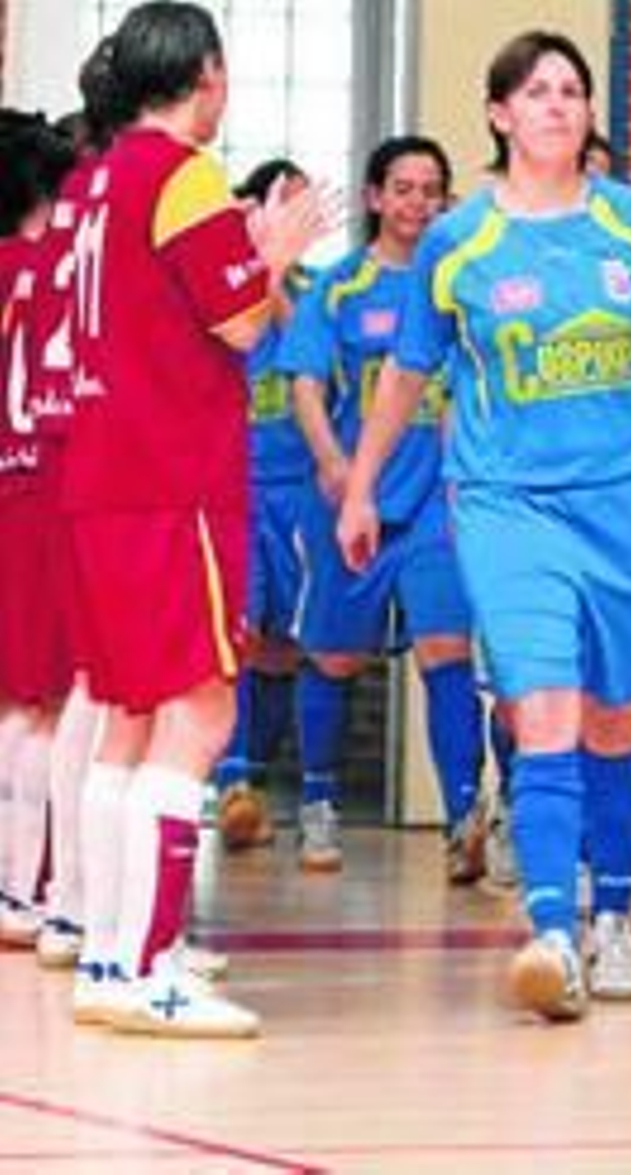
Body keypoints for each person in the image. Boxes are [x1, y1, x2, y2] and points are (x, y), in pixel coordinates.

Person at [339, 30, 631, 1023]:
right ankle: (553, 931)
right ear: (499, 114)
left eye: (573, 90)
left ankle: (612, 915)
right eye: (538, 91)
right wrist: (360, 485)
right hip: (506, 503)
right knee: (543, 705)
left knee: (615, 718)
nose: (559, 105)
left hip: (629, 498)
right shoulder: (458, 242)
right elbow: (407, 374)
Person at [61, 0, 329, 1037]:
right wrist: (274, 248)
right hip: (169, 478)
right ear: (208, 73)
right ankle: (140, 966)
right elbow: (240, 318)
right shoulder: (182, 175)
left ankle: (111, 952)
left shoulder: (92, 183)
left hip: (99, 478)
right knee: (201, 711)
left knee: (129, 719)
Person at [282, 135, 486, 881]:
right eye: (403, 188)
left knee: (447, 648)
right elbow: (304, 380)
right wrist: (336, 466)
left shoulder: (457, 288)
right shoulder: (337, 287)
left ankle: (466, 813)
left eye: (431, 189)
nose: (417, 202)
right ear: (375, 198)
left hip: (436, 499)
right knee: (334, 656)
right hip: (352, 501)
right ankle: (318, 801)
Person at [212, 157, 315, 853]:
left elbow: (313, 348)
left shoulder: (314, 289)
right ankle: (232, 782)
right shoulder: (223, 281)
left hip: (299, 485)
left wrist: (279, 273)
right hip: (235, 482)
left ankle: (260, 779)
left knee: (283, 645)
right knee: (237, 637)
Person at [0, 111, 79, 953]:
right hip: (44, 494)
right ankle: (30, 887)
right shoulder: (59, 268)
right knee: (47, 706)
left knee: (12, 702)